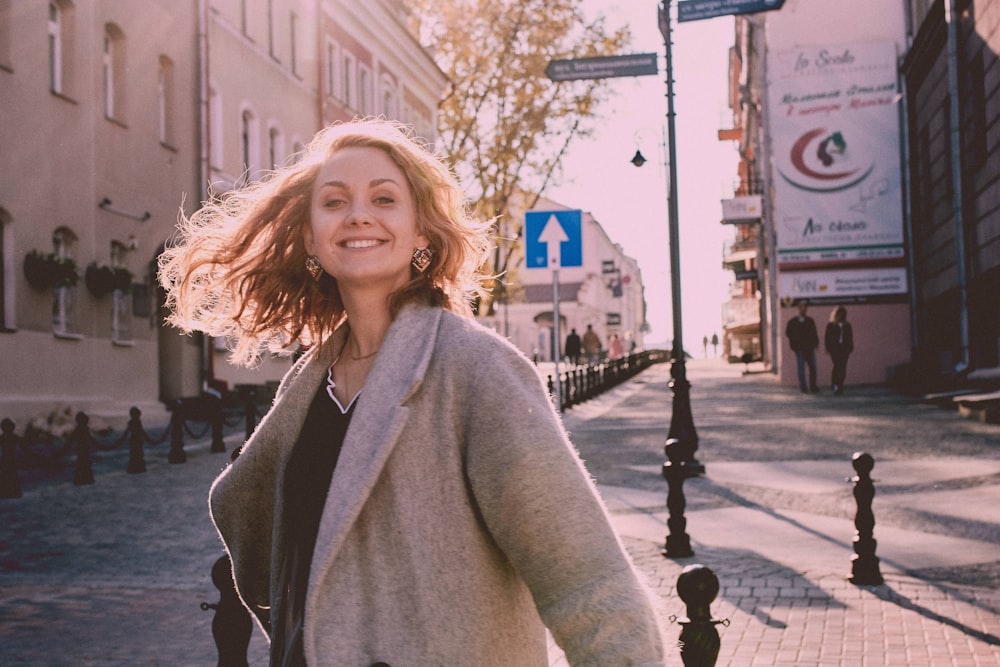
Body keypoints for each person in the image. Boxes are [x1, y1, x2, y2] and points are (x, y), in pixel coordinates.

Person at [158, 119, 665, 666]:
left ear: (421, 232)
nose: (357, 214)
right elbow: (277, 553)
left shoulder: (475, 369)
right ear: (310, 238)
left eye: (383, 198)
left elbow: (587, 581)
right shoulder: (308, 385)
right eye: (333, 202)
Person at [785, 301, 819, 393]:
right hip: (799, 348)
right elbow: (788, 333)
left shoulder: (810, 321)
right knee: (801, 368)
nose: (803, 309)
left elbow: (814, 333)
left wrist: (816, 344)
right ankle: (803, 387)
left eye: (805, 307)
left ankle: (813, 386)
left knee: (813, 367)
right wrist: (795, 344)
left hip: (809, 348)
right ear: (798, 308)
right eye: (801, 307)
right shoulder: (793, 322)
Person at [825, 305, 854, 395]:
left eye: (843, 314)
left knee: (843, 368)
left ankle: (840, 385)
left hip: (845, 349)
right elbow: (827, 338)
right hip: (835, 349)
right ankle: (835, 385)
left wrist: (850, 348)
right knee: (837, 366)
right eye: (839, 313)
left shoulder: (847, 325)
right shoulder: (831, 325)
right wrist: (828, 348)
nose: (841, 315)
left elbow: (850, 337)